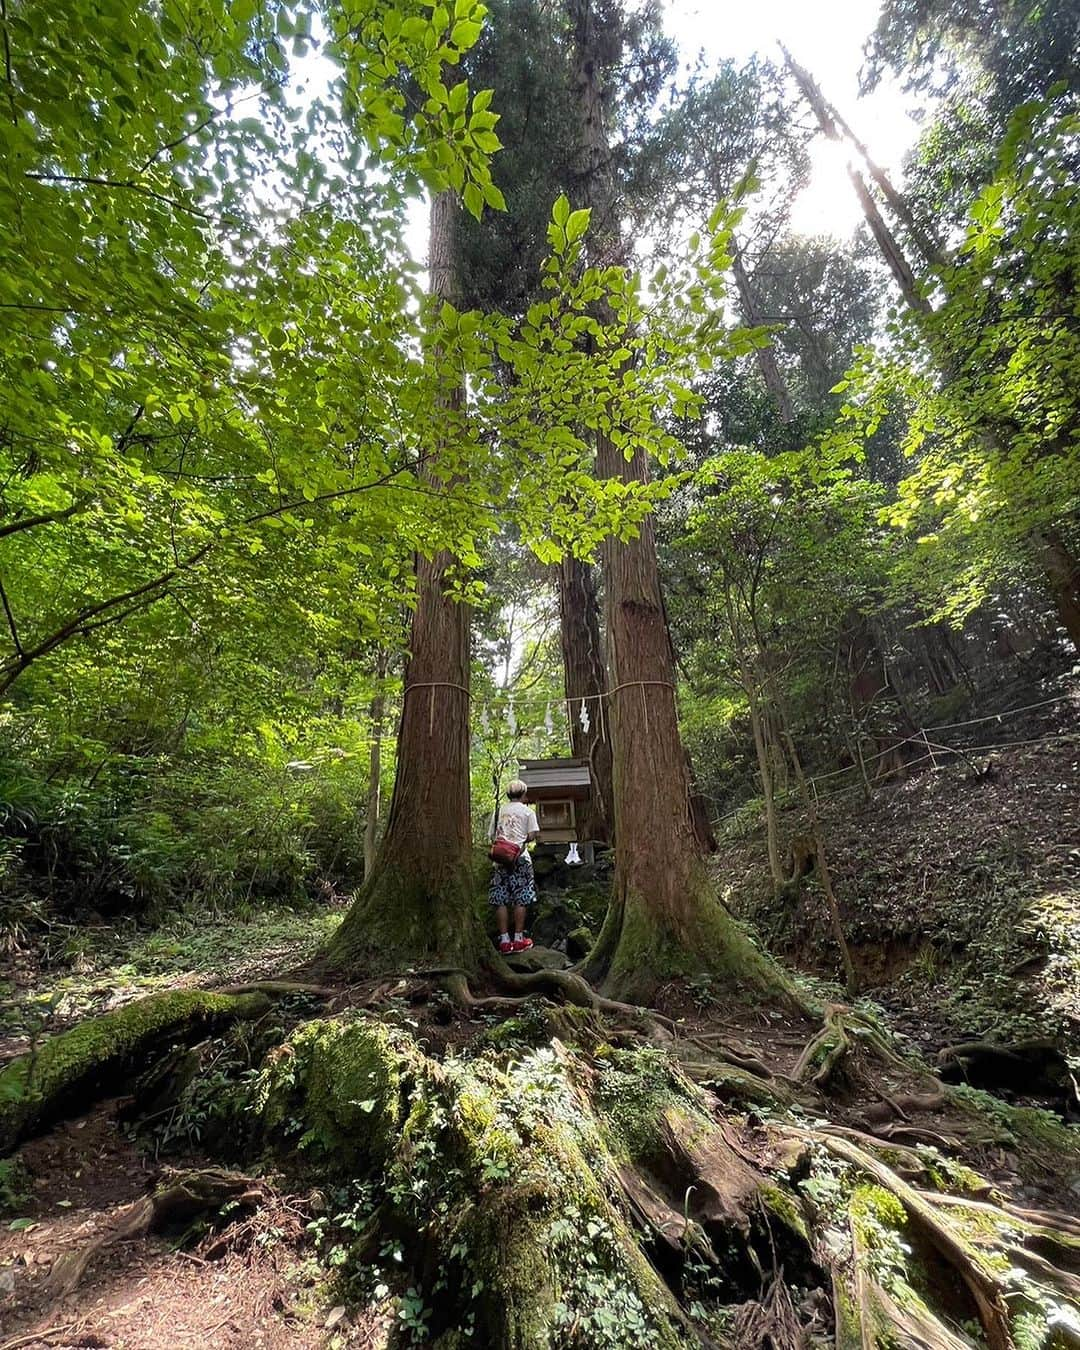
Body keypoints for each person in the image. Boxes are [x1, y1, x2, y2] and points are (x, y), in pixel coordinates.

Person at [490, 779, 539, 954]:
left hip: (500, 858)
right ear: (524, 794)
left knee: (500, 897)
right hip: (520, 857)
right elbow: (532, 835)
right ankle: (518, 939)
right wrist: (520, 839)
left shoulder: (499, 811)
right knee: (522, 897)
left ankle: (504, 941)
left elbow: (492, 835)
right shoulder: (528, 812)